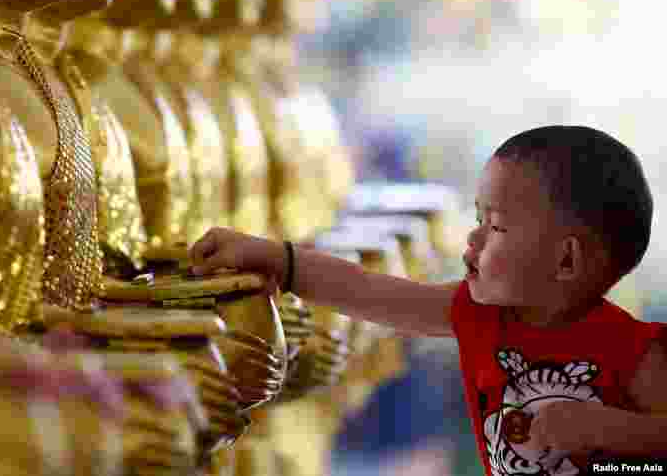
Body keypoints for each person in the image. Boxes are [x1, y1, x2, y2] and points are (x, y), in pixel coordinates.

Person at [190, 126, 667, 475]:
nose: (473, 239)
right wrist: (278, 259)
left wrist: (604, 429)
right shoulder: (478, 317)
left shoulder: (635, 353)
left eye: (497, 227)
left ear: (565, 260)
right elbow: (366, 290)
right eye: (478, 219)